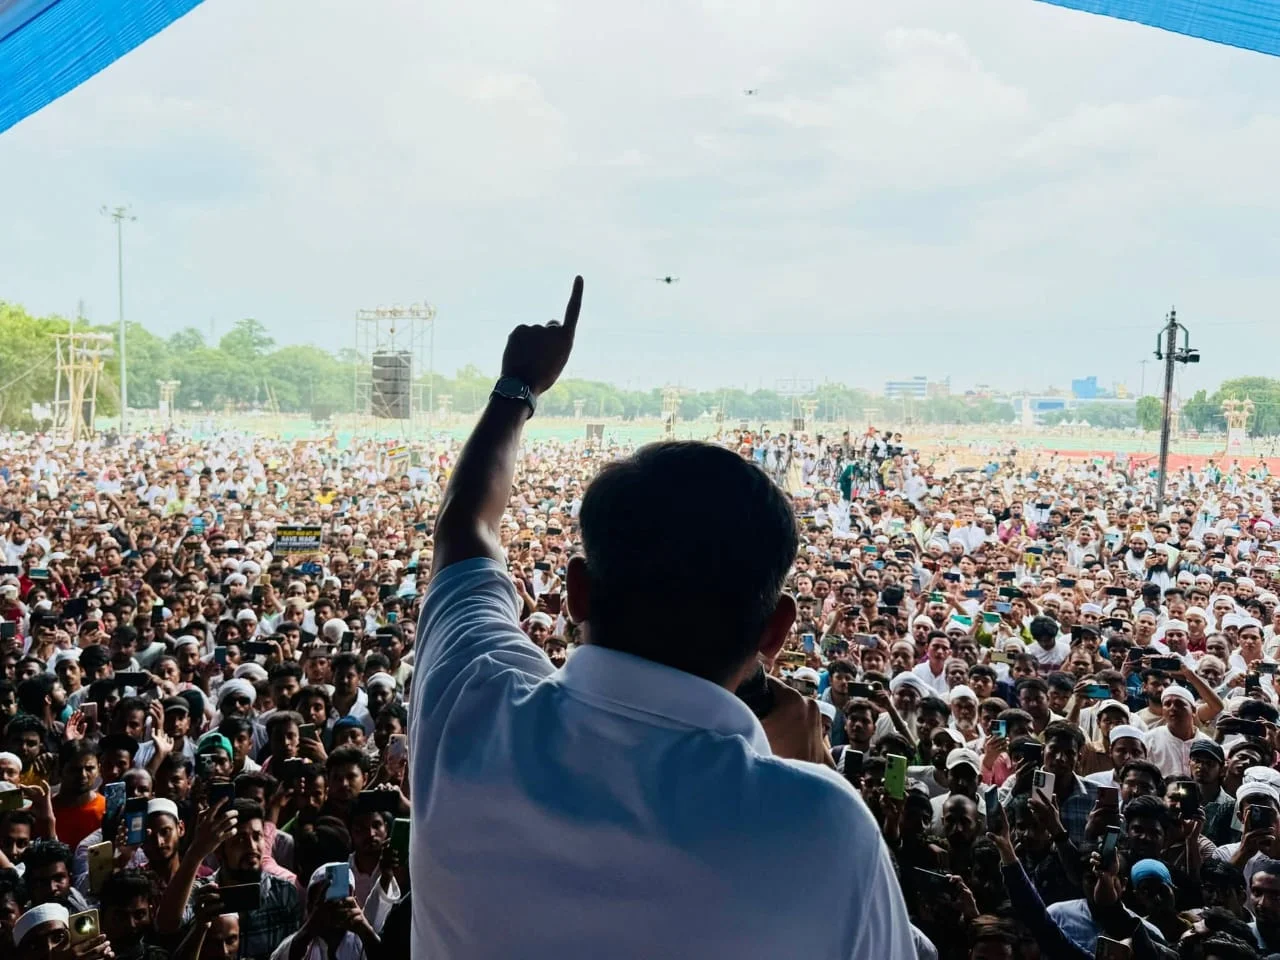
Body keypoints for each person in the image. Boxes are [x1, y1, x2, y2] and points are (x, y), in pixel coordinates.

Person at [411, 279, 913, 958]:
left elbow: (464, 528)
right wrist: (803, 773)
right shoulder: (824, 828)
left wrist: (518, 387)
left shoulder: (472, 714)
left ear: (577, 594)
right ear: (777, 631)